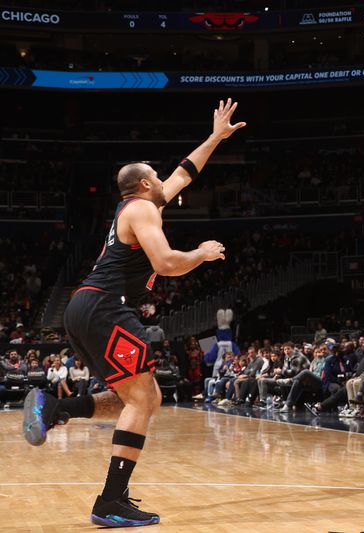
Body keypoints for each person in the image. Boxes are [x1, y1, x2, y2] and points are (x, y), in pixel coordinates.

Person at [22, 98, 244, 527]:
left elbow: (185, 172)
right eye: (157, 176)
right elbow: (164, 264)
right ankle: (110, 500)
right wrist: (200, 252)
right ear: (144, 185)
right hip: (104, 308)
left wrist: (216, 136)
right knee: (143, 398)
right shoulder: (143, 209)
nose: (166, 180)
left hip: (87, 309)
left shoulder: (142, 204)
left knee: (142, 397)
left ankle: (55, 409)